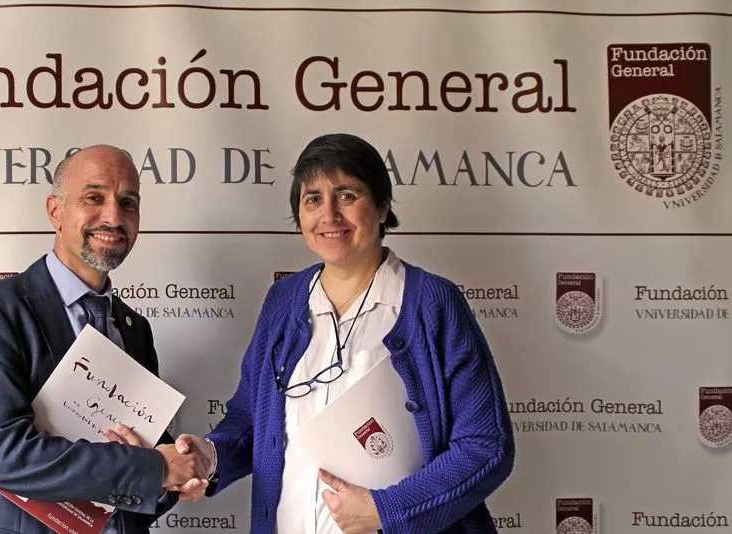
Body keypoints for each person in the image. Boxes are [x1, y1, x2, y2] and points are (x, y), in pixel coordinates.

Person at [174, 133, 515, 533]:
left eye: (347, 195)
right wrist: (210, 455)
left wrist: (388, 510)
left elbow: (486, 447)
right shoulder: (283, 302)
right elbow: (251, 420)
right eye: (313, 199)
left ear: (383, 206)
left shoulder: (433, 303)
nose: (329, 215)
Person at [0, 145, 211, 534]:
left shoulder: (135, 329)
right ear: (55, 210)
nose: (113, 216)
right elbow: (3, 455)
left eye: (128, 202)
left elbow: (139, 476)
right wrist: (156, 468)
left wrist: (178, 476)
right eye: (94, 197)